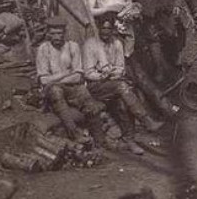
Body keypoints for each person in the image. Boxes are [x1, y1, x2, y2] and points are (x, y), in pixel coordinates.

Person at [84, 15, 165, 154]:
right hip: (96, 87)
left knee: (123, 102)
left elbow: (120, 68)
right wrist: (101, 75)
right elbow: (88, 72)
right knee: (121, 87)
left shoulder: (117, 44)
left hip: (114, 83)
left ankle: (130, 140)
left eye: (108, 29)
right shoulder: (90, 45)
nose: (105, 31)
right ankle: (146, 120)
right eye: (102, 28)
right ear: (98, 29)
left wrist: (113, 73)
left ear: (113, 30)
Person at [35, 16, 104, 144]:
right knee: (55, 91)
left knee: (85, 94)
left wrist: (55, 79)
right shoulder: (43, 49)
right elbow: (44, 81)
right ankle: (75, 133)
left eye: (59, 33)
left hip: (72, 87)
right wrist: (66, 73)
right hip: (52, 90)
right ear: (48, 33)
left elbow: (78, 76)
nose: (57, 37)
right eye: (53, 33)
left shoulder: (73, 46)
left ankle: (100, 140)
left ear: (64, 33)